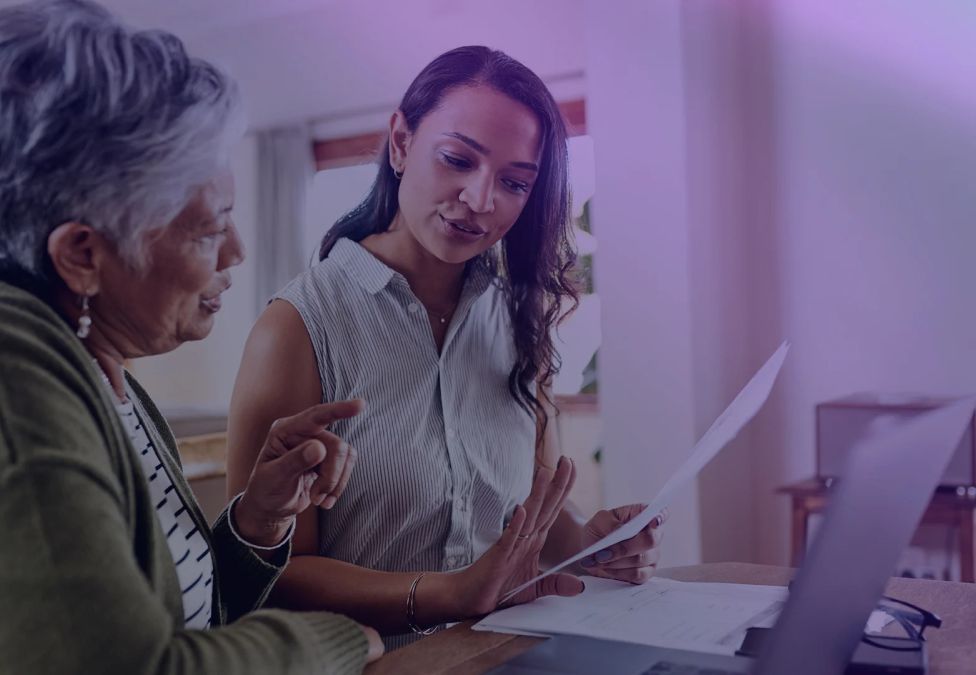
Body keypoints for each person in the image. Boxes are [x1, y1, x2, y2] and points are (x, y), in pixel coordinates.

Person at [226, 45, 666, 648]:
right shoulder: (299, 327)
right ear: (401, 144)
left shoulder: (518, 320)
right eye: (458, 159)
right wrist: (448, 593)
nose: (482, 200)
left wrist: (594, 546)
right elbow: (268, 575)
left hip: (509, 657)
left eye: (514, 182)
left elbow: (532, 516)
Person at [0, 1, 382, 672]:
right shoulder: (18, 373)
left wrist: (256, 523)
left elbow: (183, 617)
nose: (235, 251)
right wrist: (342, 637)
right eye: (210, 227)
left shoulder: (107, 371)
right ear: (83, 254)